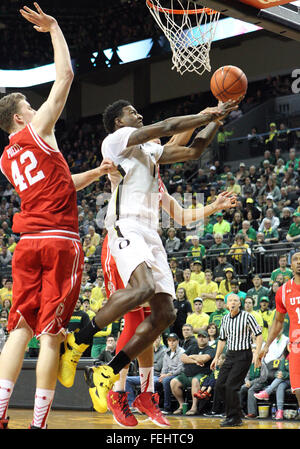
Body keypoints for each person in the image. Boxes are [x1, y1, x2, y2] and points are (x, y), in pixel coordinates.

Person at [58, 94, 239, 415]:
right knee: (138, 301)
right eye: (133, 112)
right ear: (119, 122)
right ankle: (81, 342)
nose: (139, 116)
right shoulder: (117, 141)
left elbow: (192, 150)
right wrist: (206, 112)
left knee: (165, 315)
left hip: (150, 236)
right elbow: (170, 126)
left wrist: (215, 121)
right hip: (124, 226)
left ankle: (109, 371)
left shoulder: (151, 157)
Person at [0, 3, 115, 430]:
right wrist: (55, 29)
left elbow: (60, 186)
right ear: (18, 117)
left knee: (19, 330)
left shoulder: (6, 159)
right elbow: (64, 77)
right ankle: (39, 425)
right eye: (29, 106)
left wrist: (96, 173)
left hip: (26, 243)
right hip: (60, 242)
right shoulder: (35, 130)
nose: (36, 109)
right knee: (51, 334)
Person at [210, 294, 263, 427]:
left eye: (235, 300)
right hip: (230, 355)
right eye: (230, 301)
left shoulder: (248, 316)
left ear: (240, 304)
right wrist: (216, 357)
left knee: (231, 386)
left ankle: (234, 417)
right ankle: (236, 413)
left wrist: (256, 354)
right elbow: (222, 340)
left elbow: (259, 335)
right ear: (227, 305)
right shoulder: (225, 319)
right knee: (220, 385)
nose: (233, 303)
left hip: (244, 355)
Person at [260, 251, 300, 418]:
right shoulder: (283, 291)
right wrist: (267, 345)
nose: (299, 262)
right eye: (296, 259)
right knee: (297, 387)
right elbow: (277, 322)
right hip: (296, 346)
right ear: (290, 265)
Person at [170, 329, 215, 415]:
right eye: (199, 337)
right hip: (187, 375)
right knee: (173, 382)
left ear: (208, 339)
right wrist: (195, 361)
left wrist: (191, 356)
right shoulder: (192, 347)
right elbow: (183, 358)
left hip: (202, 375)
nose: (201, 339)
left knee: (195, 380)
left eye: (204, 337)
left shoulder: (210, 349)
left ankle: (194, 407)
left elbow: (204, 359)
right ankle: (181, 405)